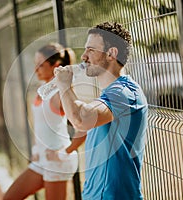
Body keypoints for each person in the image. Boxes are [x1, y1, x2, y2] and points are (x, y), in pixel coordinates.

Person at [54, 22, 148, 199]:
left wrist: (65, 87)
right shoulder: (110, 93)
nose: (83, 56)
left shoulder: (124, 93)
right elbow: (83, 114)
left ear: (111, 53)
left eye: (91, 50)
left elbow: (80, 120)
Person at [3, 43, 86, 200]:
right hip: (42, 159)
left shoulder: (60, 93)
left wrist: (63, 153)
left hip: (57, 163)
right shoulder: (43, 88)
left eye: (40, 65)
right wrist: (36, 150)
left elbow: (84, 127)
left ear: (55, 66)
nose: (36, 69)